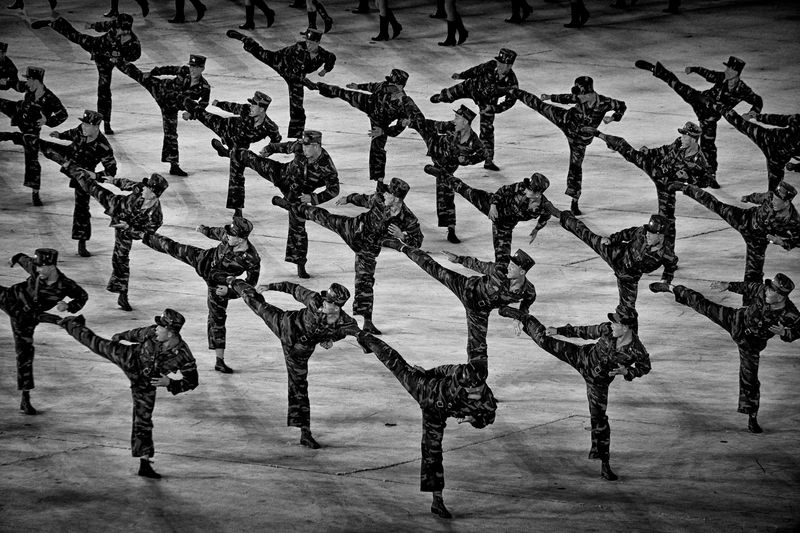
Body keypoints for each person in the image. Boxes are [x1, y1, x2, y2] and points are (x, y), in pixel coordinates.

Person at [352, 331, 496, 519]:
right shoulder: (465, 374)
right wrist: (427, 373)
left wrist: (472, 420)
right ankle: (365, 337)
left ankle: (437, 501)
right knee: (395, 363)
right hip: (425, 388)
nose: (470, 389)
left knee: (432, 452)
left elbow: (487, 419)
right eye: (469, 386)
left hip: (436, 413)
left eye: (475, 389)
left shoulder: (487, 402)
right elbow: (446, 370)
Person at [498, 305, 650, 481]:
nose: (611, 325)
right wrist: (559, 330)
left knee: (600, 421)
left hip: (597, 384)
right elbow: (584, 331)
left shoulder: (636, 349)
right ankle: (522, 317)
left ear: (625, 327)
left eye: (615, 323)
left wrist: (627, 372)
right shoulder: (607, 329)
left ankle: (605, 465)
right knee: (545, 340)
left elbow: (645, 367)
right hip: (581, 357)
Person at [649, 273, 799, 433]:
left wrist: (785, 333)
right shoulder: (762, 291)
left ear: (782, 297)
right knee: (703, 305)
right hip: (736, 320)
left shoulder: (790, 314)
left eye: (772, 291)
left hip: (751, 345)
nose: (767, 291)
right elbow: (747, 287)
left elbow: (797, 331)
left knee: (750, 380)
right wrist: (728, 285)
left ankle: (752, 418)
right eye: (768, 288)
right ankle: (671, 289)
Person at [56, 309, 197, 478]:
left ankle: (144, 464)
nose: (156, 329)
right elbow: (135, 334)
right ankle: (71, 323)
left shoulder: (183, 354)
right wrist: (120, 336)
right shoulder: (152, 332)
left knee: (143, 421)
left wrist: (170, 383)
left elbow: (192, 381)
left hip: (145, 382)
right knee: (96, 343)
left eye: (161, 327)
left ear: (171, 333)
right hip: (130, 357)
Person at [272, 178, 422, 335]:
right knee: (325, 218)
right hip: (352, 228)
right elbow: (362, 199)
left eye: (388, 193)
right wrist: (347, 199)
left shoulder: (407, 217)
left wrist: (402, 236)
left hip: (368, 248)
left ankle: (367, 322)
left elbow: (418, 240)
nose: (384, 193)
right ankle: (293, 207)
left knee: (365, 281)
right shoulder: (378, 199)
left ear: (396, 197)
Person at [227, 279, 359, 449]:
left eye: (329, 303)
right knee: (256, 303)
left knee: (299, 387)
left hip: (298, 353)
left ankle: (305, 433)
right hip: (284, 324)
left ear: (337, 307)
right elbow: (292, 288)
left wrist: (329, 338)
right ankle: (234, 282)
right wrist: (269, 286)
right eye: (325, 300)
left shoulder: (343, 322)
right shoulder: (314, 300)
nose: (323, 304)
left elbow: (351, 332)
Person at [383, 239, 535, 379]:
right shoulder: (500, 269)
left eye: (513, 267)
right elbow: (479, 265)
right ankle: (401, 246)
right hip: (465, 287)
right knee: (434, 268)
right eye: (510, 264)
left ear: (522, 272)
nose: (509, 267)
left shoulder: (528, 291)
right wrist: (458, 259)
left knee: (478, 352)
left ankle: (477, 385)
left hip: (478, 312)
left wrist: (519, 316)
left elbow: (528, 301)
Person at [142, 216, 261, 374]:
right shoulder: (228, 236)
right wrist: (203, 229)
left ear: (240, 240)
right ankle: (143, 235)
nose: (227, 236)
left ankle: (220, 361)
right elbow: (215, 232)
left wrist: (230, 292)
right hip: (204, 260)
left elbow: (249, 285)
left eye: (231, 236)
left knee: (217, 318)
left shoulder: (252, 259)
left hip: (219, 284)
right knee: (175, 248)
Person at [214, 130, 338, 278]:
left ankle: (300, 266)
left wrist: (313, 198)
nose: (303, 149)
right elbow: (284, 146)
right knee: (249, 157)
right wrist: (269, 149)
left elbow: (334, 189)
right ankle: (228, 154)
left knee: (297, 229)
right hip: (282, 174)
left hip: (297, 195)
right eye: (303, 146)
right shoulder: (299, 148)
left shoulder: (326, 165)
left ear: (317, 146)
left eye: (307, 146)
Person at [596, 121, 713, 271]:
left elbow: (707, 180)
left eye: (685, 135)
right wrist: (649, 152)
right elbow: (664, 150)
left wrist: (688, 178)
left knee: (667, 222)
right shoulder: (679, 143)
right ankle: (600, 135)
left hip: (668, 186)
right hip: (656, 169)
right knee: (630, 152)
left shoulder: (699, 159)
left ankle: (669, 258)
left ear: (693, 139)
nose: (682, 137)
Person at [635, 56, 763, 188]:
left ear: (736, 72)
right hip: (701, 101)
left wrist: (752, 113)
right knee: (679, 87)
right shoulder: (722, 77)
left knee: (708, 146)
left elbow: (758, 100)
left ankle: (711, 176)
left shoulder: (742, 89)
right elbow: (708, 74)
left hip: (710, 116)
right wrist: (694, 69)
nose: (726, 70)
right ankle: (655, 69)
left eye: (729, 68)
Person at [61, 162, 167, 312]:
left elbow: (146, 233)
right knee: (91, 187)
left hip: (127, 228)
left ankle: (122, 294)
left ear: (154, 194)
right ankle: (71, 167)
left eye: (148, 188)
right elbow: (122, 183)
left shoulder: (155, 215)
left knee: (120, 258)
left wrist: (129, 229)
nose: (144, 189)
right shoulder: (140, 188)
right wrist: (98, 176)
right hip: (116, 204)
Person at [670, 180, 799, 302]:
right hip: (744, 219)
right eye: (774, 198)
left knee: (753, 275)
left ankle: (748, 309)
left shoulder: (793, 220)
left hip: (757, 241)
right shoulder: (770, 197)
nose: (773, 201)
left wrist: (780, 242)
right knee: (717, 206)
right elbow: (758, 197)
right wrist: (748, 198)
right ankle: (685, 188)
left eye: (778, 200)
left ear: (787, 202)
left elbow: (797, 240)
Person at [512, 77, 626, 214]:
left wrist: (613, 118)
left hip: (579, 140)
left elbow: (622, 106)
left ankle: (574, 201)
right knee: (540, 106)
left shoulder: (605, 103)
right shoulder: (580, 97)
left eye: (580, 95)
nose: (577, 98)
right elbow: (567, 98)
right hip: (566, 120)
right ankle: (514, 92)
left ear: (588, 94)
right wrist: (550, 97)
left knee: (575, 168)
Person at [547, 202, 676, 316]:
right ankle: (561, 215)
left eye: (651, 233)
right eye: (647, 231)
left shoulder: (666, 253)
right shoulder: (641, 233)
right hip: (616, 254)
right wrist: (611, 239)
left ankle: (631, 340)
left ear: (660, 236)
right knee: (585, 234)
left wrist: (665, 280)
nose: (647, 234)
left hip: (628, 277)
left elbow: (671, 266)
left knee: (628, 312)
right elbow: (626, 233)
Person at [0, 249, 87, 415]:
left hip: (27, 319)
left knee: (24, 355)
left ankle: (25, 398)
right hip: (10, 298)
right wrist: (13, 258)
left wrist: (69, 306)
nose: (37, 270)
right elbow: (21, 258)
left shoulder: (65, 285)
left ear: (52, 266)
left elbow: (82, 296)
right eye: (37, 266)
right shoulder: (35, 269)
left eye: (41, 267)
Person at [31, 13, 141, 134]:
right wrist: (92, 26)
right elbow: (104, 25)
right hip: (97, 46)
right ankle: (53, 23)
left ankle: (106, 122)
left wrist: (121, 59)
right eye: (118, 27)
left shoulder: (134, 43)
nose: (118, 30)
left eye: (121, 29)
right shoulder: (115, 24)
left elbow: (135, 56)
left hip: (107, 62)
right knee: (75, 36)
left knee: (104, 90)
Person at [423, 165, 552, 263]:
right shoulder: (521, 187)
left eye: (530, 189)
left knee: (503, 261)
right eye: (528, 187)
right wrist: (493, 206)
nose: (526, 190)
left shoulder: (543, 206)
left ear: (538, 193)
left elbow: (546, 216)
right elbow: (502, 191)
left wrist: (536, 229)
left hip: (504, 226)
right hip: (490, 204)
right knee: (463, 189)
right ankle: (440, 174)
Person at [402, 96, 487, 243]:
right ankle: (405, 100)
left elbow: (483, 154)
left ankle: (451, 229)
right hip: (434, 145)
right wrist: (412, 123)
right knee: (420, 122)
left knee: (446, 195)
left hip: (445, 168)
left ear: (466, 121)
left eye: (457, 117)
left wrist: (467, 161)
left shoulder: (473, 140)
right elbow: (434, 124)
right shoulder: (451, 126)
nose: (454, 120)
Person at [303, 68, 408, 185]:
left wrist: (384, 131)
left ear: (400, 86)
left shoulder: (403, 103)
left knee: (377, 148)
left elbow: (400, 127)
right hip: (370, 103)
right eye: (389, 82)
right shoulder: (384, 86)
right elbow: (372, 86)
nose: (388, 84)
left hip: (380, 122)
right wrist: (357, 87)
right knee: (343, 93)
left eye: (392, 83)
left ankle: (379, 181)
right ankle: (316, 86)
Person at [226, 27, 335, 139]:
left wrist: (325, 70)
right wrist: (305, 82)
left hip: (295, 77)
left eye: (312, 43)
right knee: (260, 53)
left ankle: (295, 136)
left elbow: (331, 58)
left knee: (297, 106)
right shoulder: (298, 48)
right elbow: (293, 70)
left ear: (318, 43)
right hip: (281, 62)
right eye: (307, 42)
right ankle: (245, 39)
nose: (308, 45)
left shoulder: (324, 54)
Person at [182, 90, 282, 210]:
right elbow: (232, 107)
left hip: (239, 146)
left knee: (236, 175)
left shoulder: (270, 126)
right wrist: (218, 104)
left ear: (261, 109)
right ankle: (181, 98)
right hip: (225, 127)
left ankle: (237, 211)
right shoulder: (246, 110)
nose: (251, 107)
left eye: (254, 105)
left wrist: (268, 149)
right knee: (201, 113)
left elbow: (276, 139)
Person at [37, 109, 117, 258]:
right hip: (68, 155)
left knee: (81, 208)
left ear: (96, 126)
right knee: (38, 144)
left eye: (87, 125)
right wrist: (59, 135)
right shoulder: (81, 130)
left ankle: (82, 242)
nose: (83, 127)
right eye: (83, 124)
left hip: (82, 173)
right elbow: (72, 133)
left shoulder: (103, 146)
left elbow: (111, 172)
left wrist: (95, 175)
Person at [116, 54, 211, 176]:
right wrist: (152, 73)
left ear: (202, 69)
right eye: (191, 66)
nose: (192, 69)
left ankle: (174, 165)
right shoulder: (184, 71)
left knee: (171, 134)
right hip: (160, 89)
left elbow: (203, 104)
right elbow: (169, 69)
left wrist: (191, 114)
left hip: (170, 108)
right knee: (138, 75)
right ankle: (117, 61)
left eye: (196, 67)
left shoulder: (204, 87)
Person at [430, 48, 519, 171]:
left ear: (509, 65)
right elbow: (476, 70)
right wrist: (461, 75)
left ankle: (488, 160)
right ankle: (440, 97)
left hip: (487, 102)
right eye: (498, 62)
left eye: (502, 64)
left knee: (487, 130)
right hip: (471, 87)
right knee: (449, 94)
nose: (498, 65)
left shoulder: (511, 82)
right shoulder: (491, 66)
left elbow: (511, 101)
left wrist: (493, 108)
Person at [0, 66, 68, 207]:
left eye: (29, 79)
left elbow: (63, 114)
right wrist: (4, 81)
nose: (27, 83)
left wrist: (47, 121)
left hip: (31, 128)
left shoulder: (50, 98)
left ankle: (35, 193)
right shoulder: (29, 87)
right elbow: (15, 84)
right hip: (18, 112)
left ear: (37, 81)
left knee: (32, 158)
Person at [721, 108, 800, 192]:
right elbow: (778, 119)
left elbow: (779, 119)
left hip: (770, 142)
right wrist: (757, 116)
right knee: (775, 187)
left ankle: (721, 107)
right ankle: (721, 107)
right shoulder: (797, 120)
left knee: (742, 124)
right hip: (773, 145)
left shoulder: (797, 119)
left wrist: (757, 116)